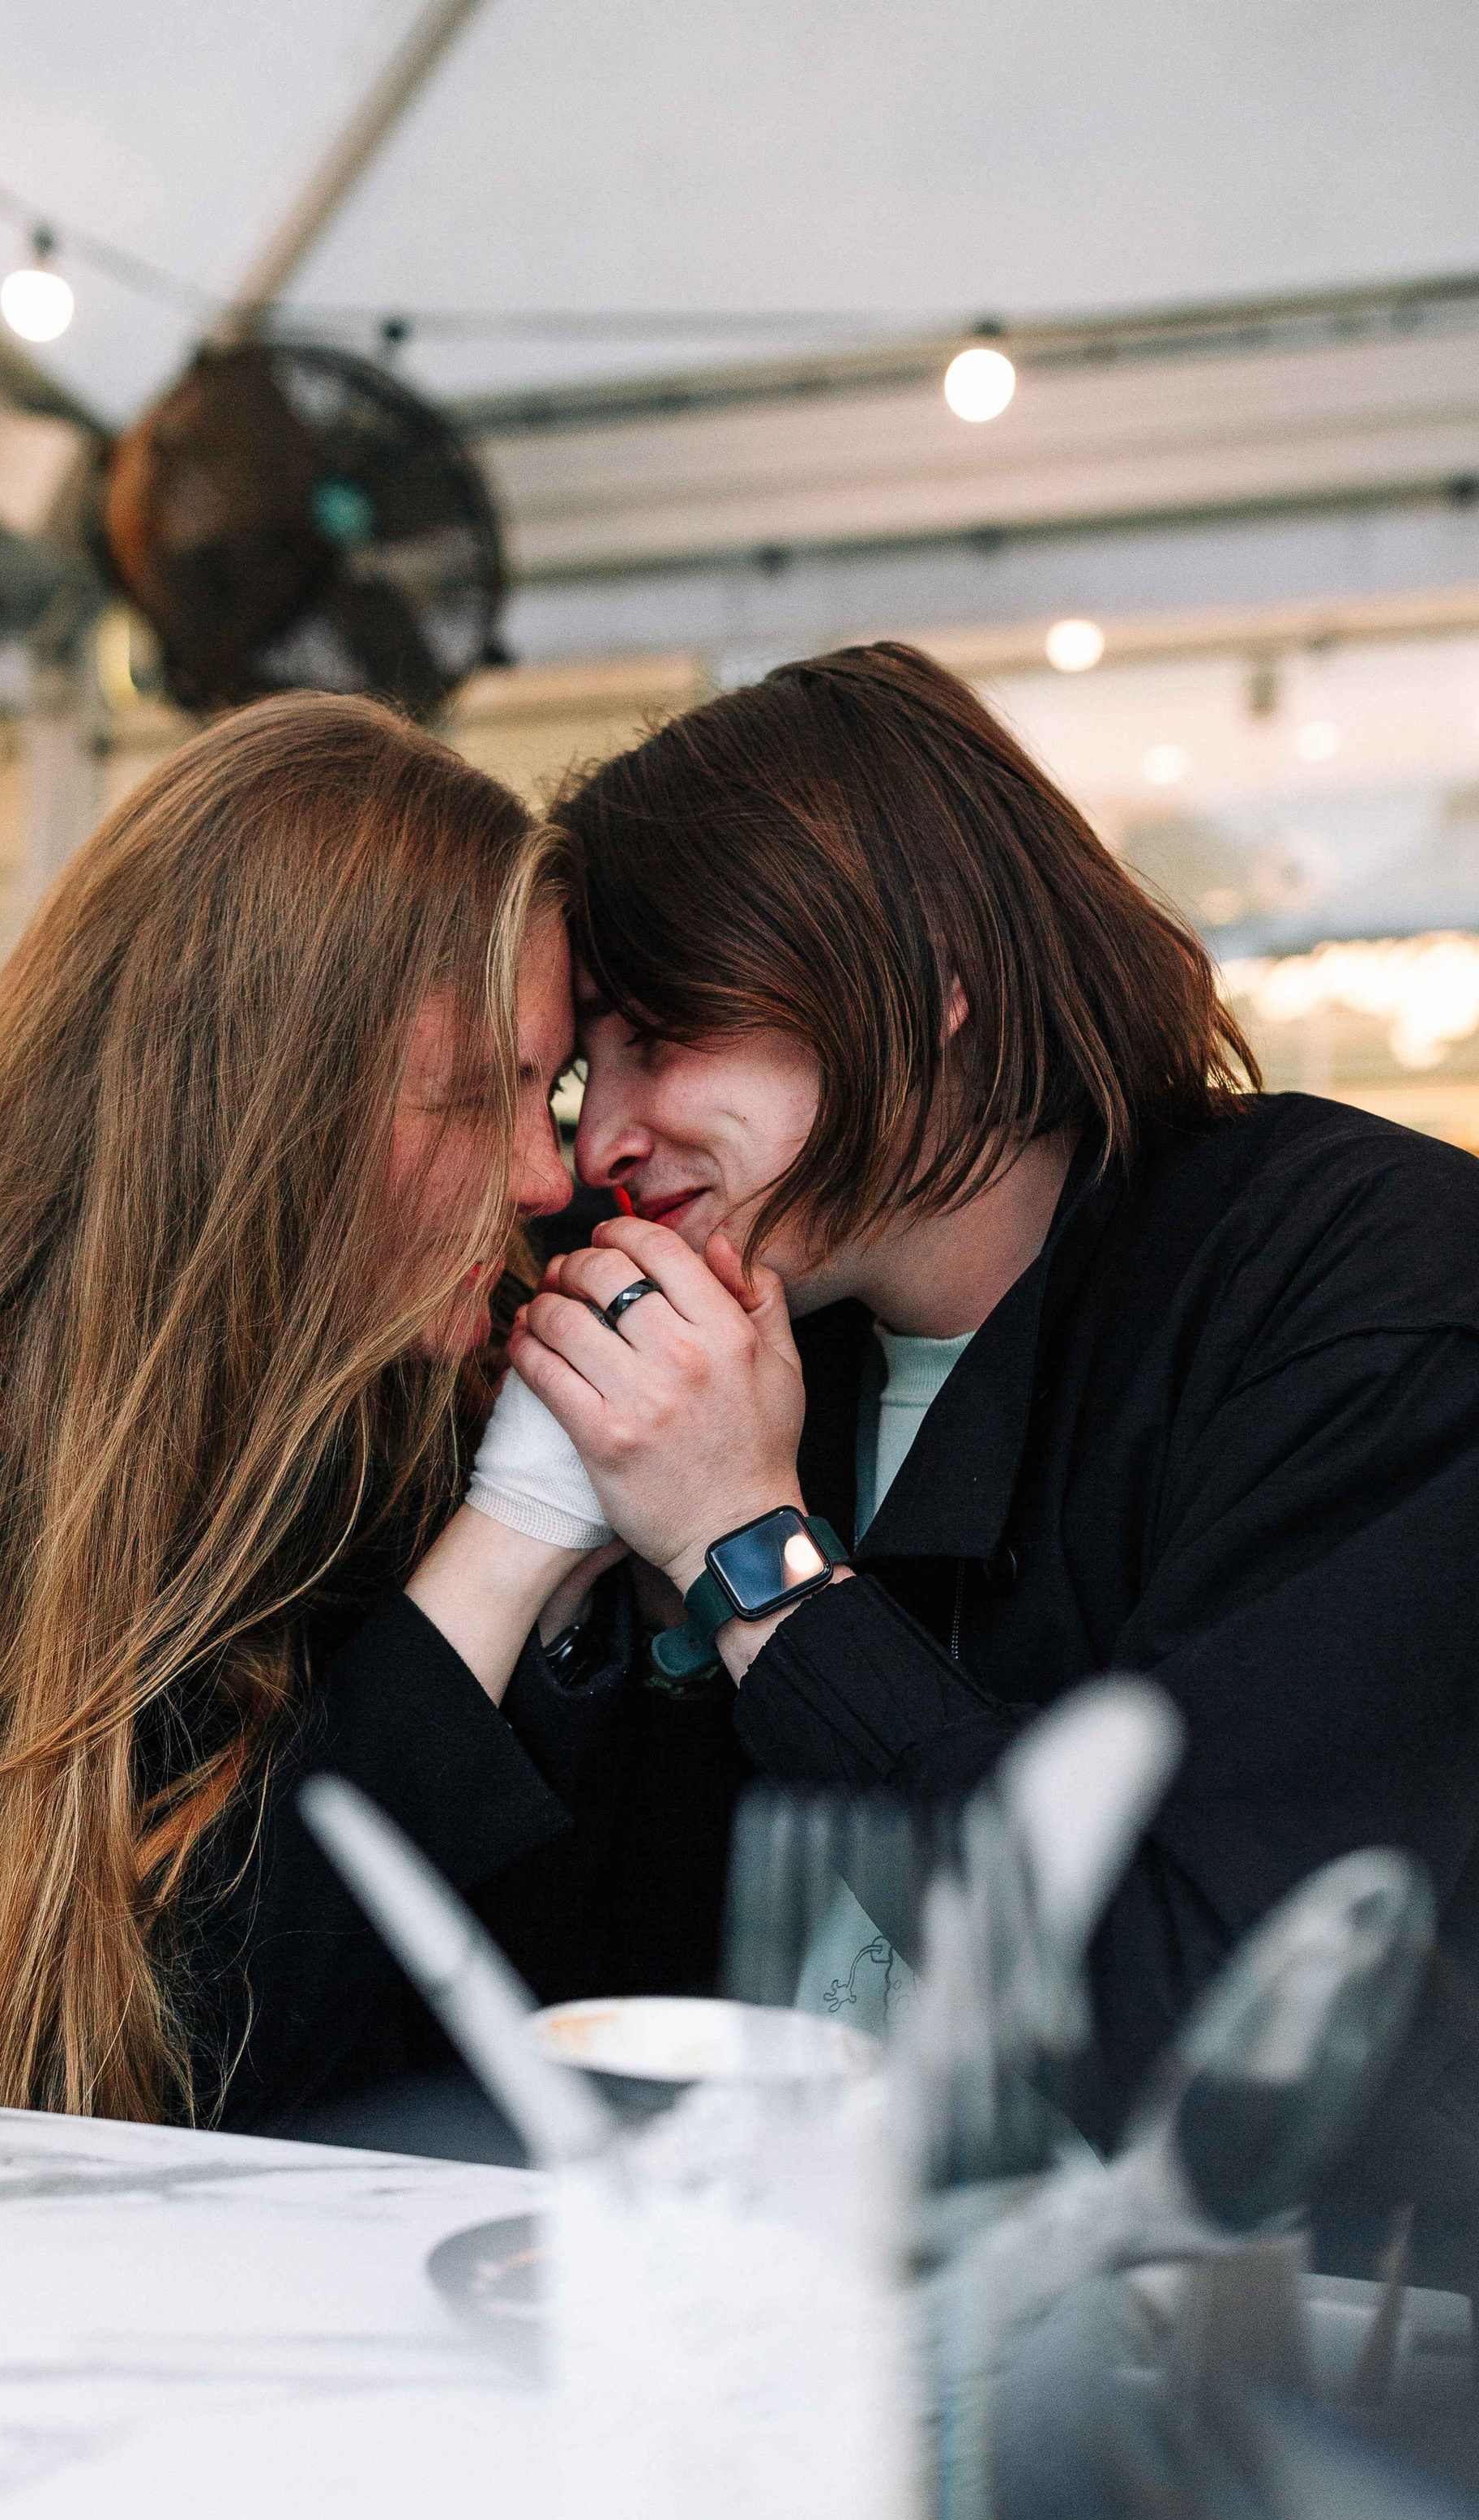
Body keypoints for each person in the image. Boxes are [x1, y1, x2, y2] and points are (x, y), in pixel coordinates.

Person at [513, 642, 1479, 2256]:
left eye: (662, 1032)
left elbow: (1210, 2036)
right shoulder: (733, 1356)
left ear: (927, 972)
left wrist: (753, 1564)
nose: (597, 1139)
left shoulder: (1355, 1290)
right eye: (571, 1072)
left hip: (1278, 2428)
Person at [0, 694, 626, 2134]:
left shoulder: (383, 1403)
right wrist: (508, 1548)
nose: (540, 1176)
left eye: (554, 1090)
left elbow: (498, 2020)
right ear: (261, 1097)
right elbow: (119, 2091)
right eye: (474, 1095)